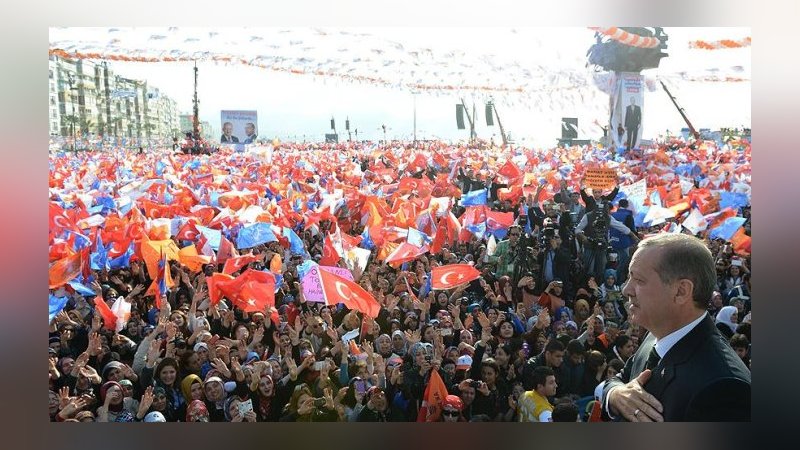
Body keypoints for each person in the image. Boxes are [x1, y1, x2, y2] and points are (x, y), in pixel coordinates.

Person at [602, 234, 751, 422]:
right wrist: (615, 395)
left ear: (681, 291)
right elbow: (620, 379)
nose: (626, 289)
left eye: (639, 280)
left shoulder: (725, 388)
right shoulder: (657, 335)